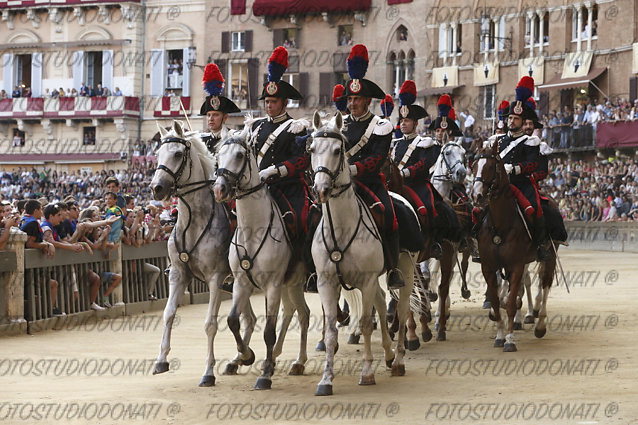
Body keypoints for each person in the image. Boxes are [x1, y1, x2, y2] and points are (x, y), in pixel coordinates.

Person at [244, 46, 313, 292]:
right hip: (256, 189)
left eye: (273, 102)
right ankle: (233, 268)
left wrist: (273, 171)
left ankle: (309, 269)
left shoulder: (297, 127)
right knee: (230, 218)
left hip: (287, 187)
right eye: (267, 102)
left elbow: (301, 162)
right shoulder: (255, 127)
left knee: (302, 220)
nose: (269, 106)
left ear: (284, 102)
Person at [338, 44, 405, 289]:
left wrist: (352, 170)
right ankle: (315, 270)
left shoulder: (381, 126)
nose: (352, 103)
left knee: (389, 215)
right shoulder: (340, 124)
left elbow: (377, 159)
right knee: (316, 214)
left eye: (357, 99)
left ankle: (393, 268)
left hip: (369, 183)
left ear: (367, 100)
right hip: (340, 185)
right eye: (350, 98)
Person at [391, 83, 458, 258]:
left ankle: (434, 241)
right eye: (401, 120)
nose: (403, 124)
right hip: (397, 185)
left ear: (415, 122)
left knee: (427, 208)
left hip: (417, 185)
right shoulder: (395, 144)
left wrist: (406, 173)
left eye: (406, 121)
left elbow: (423, 164)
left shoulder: (425, 143)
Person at [199, 63, 241, 153]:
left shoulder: (234, 138)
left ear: (225, 117)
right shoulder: (201, 141)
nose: (211, 119)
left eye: (215, 115)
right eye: (209, 115)